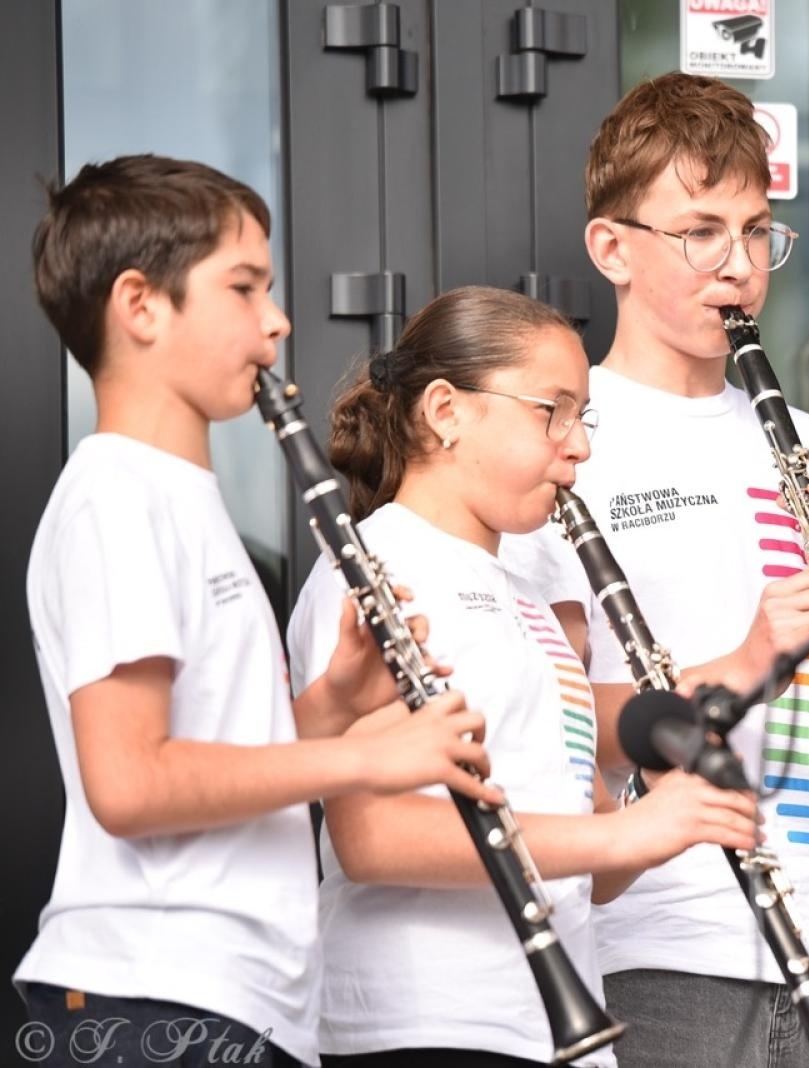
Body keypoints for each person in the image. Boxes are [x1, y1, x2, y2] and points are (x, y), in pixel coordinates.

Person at [16, 154, 499, 1068]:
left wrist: (335, 699)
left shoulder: (179, 498)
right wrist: (364, 756)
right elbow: (129, 785)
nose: (277, 319)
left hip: (229, 999)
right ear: (141, 306)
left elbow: (218, 747)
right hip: (156, 997)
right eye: (244, 287)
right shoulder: (118, 500)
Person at [501, 73, 809, 1066]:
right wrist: (745, 657)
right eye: (701, 232)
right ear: (612, 249)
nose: (739, 267)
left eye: (758, 232)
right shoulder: (561, 433)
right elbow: (545, 716)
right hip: (659, 943)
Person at [284, 285, 763, 1068]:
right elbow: (375, 838)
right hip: (427, 1022)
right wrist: (623, 832)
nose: (579, 446)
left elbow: (593, 870)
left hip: (552, 1026)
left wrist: (665, 806)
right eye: (554, 411)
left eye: (584, 417)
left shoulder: (530, 596)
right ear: (447, 410)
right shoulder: (381, 570)